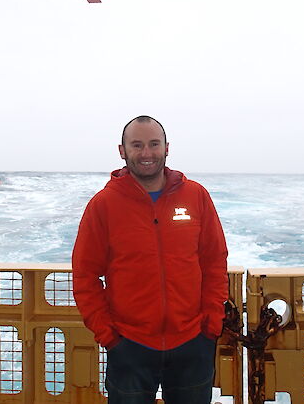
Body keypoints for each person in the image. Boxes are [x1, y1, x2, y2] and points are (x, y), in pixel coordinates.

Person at [72, 115, 229, 403]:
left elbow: (215, 262)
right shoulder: (103, 205)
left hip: (193, 342)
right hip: (129, 346)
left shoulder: (195, 196)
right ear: (122, 150)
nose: (147, 153)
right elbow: (85, 276)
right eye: (137, 145)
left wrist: (210, 326)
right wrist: (110, 337)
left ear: (167, 148)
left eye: (154, 144)